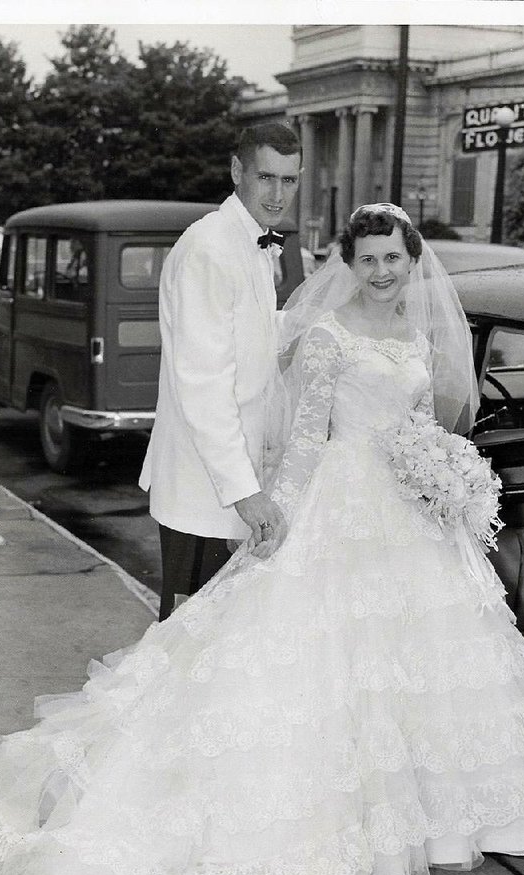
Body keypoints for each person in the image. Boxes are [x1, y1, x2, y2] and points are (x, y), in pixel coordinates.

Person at [0, 204, 524, 875]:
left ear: (411, 261)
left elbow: (425, 422)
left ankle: (434, 825)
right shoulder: (327, 336)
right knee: (323, 662)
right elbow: (306, 437)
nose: (380, 273)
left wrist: (445, 477)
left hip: (408, 509)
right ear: (348, 263)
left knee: (415, 664)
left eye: (392, 259)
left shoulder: (419, 335)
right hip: (340, 504)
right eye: (367, 259)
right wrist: (272, 515)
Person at [139, 122, 302, 620]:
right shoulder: (210, 247)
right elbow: (202, 383)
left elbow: (252, 336)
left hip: (229, 483)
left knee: (213, 650)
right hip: (205, 490)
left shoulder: (248, 241)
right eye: (266, 177)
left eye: (289, 181)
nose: (277, 194)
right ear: (237, 171)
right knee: (186, 650)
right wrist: (243, 491)